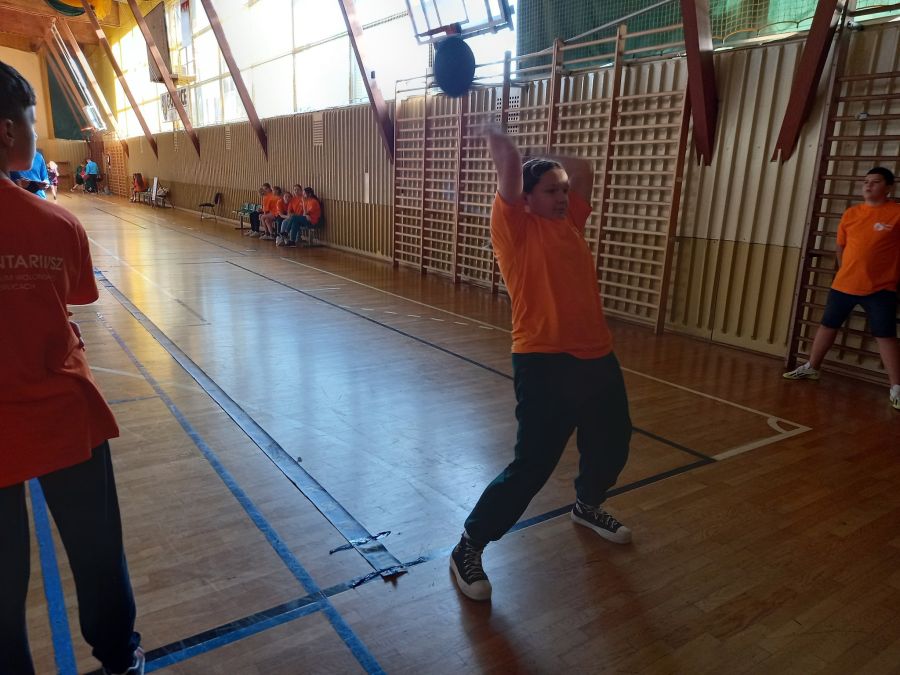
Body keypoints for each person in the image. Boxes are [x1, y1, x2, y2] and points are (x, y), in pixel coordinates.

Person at [0, 62, 144, 675]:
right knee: (97, 552)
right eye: (33, 120)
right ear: (8, 131)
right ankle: (119, 659)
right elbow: (76, 296)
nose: (36, 132)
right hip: (59, 414)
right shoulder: (55, 223)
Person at [449, 125, 633, 602]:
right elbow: (510, 167)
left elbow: (583, 169)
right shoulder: (515, 229)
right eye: (551, 191)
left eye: (563, 191)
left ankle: (587, 505)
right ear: (526, 199)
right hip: (544, 361)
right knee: (533, 465)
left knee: (613, 442)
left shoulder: (570, 223)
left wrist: (548, 164)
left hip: (598, 357)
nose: (562, 197)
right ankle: (469, 544)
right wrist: (502, 143)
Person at [784, 167, 900, 410]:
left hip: (881, 288)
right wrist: (845, 270)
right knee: (828, 325)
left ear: (889, 187)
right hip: (844, 285)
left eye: (875, 182)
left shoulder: (896, 213)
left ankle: (896, 387)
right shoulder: (851, 213)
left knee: (885, 335)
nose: (868, 185)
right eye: (866, 181)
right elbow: (841, 247)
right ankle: (812, 367)